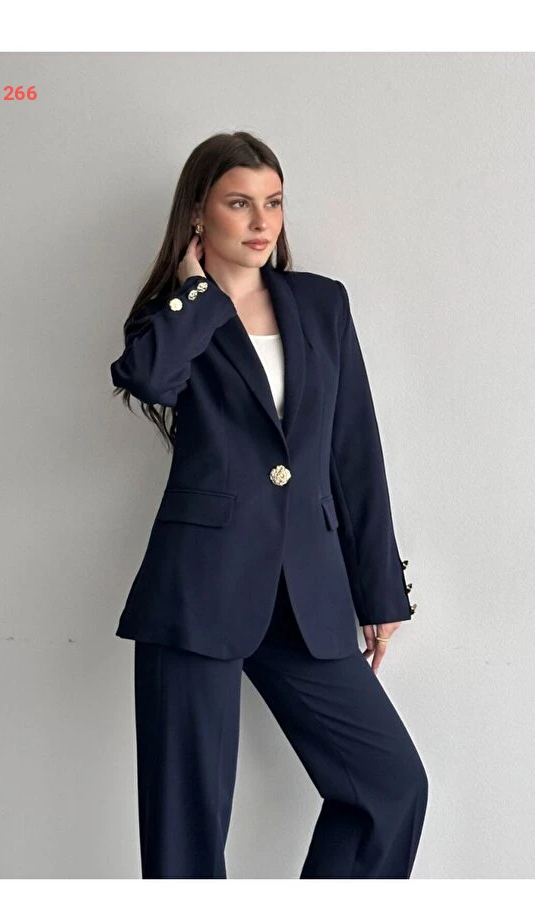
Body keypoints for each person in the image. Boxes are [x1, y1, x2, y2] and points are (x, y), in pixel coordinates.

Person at [109, 130, 428, 879]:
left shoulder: (320, 303)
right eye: (239, 203)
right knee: (186, 834)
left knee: (389, 788)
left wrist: (379, 590)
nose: (262, 221)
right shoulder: (172, 315)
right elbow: (149, 379)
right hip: (198, 591)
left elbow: (354, 451)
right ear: (198, 212)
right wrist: (197, 292)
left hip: (307, 593)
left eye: (274, 202)